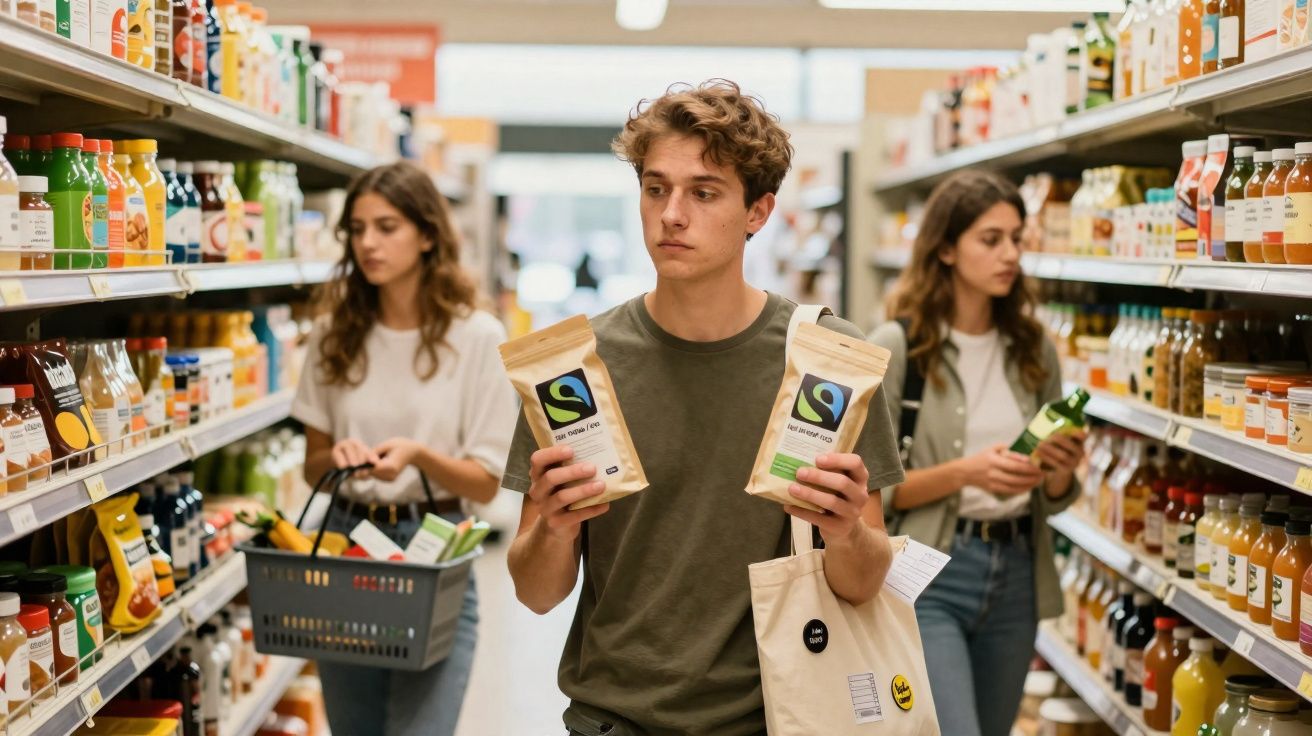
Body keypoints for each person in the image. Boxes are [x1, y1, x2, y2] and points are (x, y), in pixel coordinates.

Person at [502, 79, 905, 736]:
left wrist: (844, 531)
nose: (672, 214)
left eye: (704, 192)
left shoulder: (830, 359)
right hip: (613, 718)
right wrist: (552, 526)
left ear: (759, 211)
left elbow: (863, 581)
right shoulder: (574, 368)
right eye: (656, 188)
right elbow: (537, 592)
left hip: (776, 714)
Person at [292, 160, 518, 736]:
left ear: (425, 234)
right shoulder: (333, 334)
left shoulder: (476, 337)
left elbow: (486, 483)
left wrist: (417, 455)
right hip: (347, 547)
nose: (368, 243)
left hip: (434, 550)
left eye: (386, 227)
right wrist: (337, 460)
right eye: (358, 228)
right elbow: (311, 462)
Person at [869, 169, 1086, 736]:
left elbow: (1057, 499)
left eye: (1017, 238)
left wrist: (1059, 473)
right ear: (946, 248)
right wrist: (969, 473)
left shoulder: (1033, 346)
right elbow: (877, 492)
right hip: (932, 570)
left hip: (1017, 574)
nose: (1010, 254)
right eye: (991, 240)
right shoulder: (897, 346)